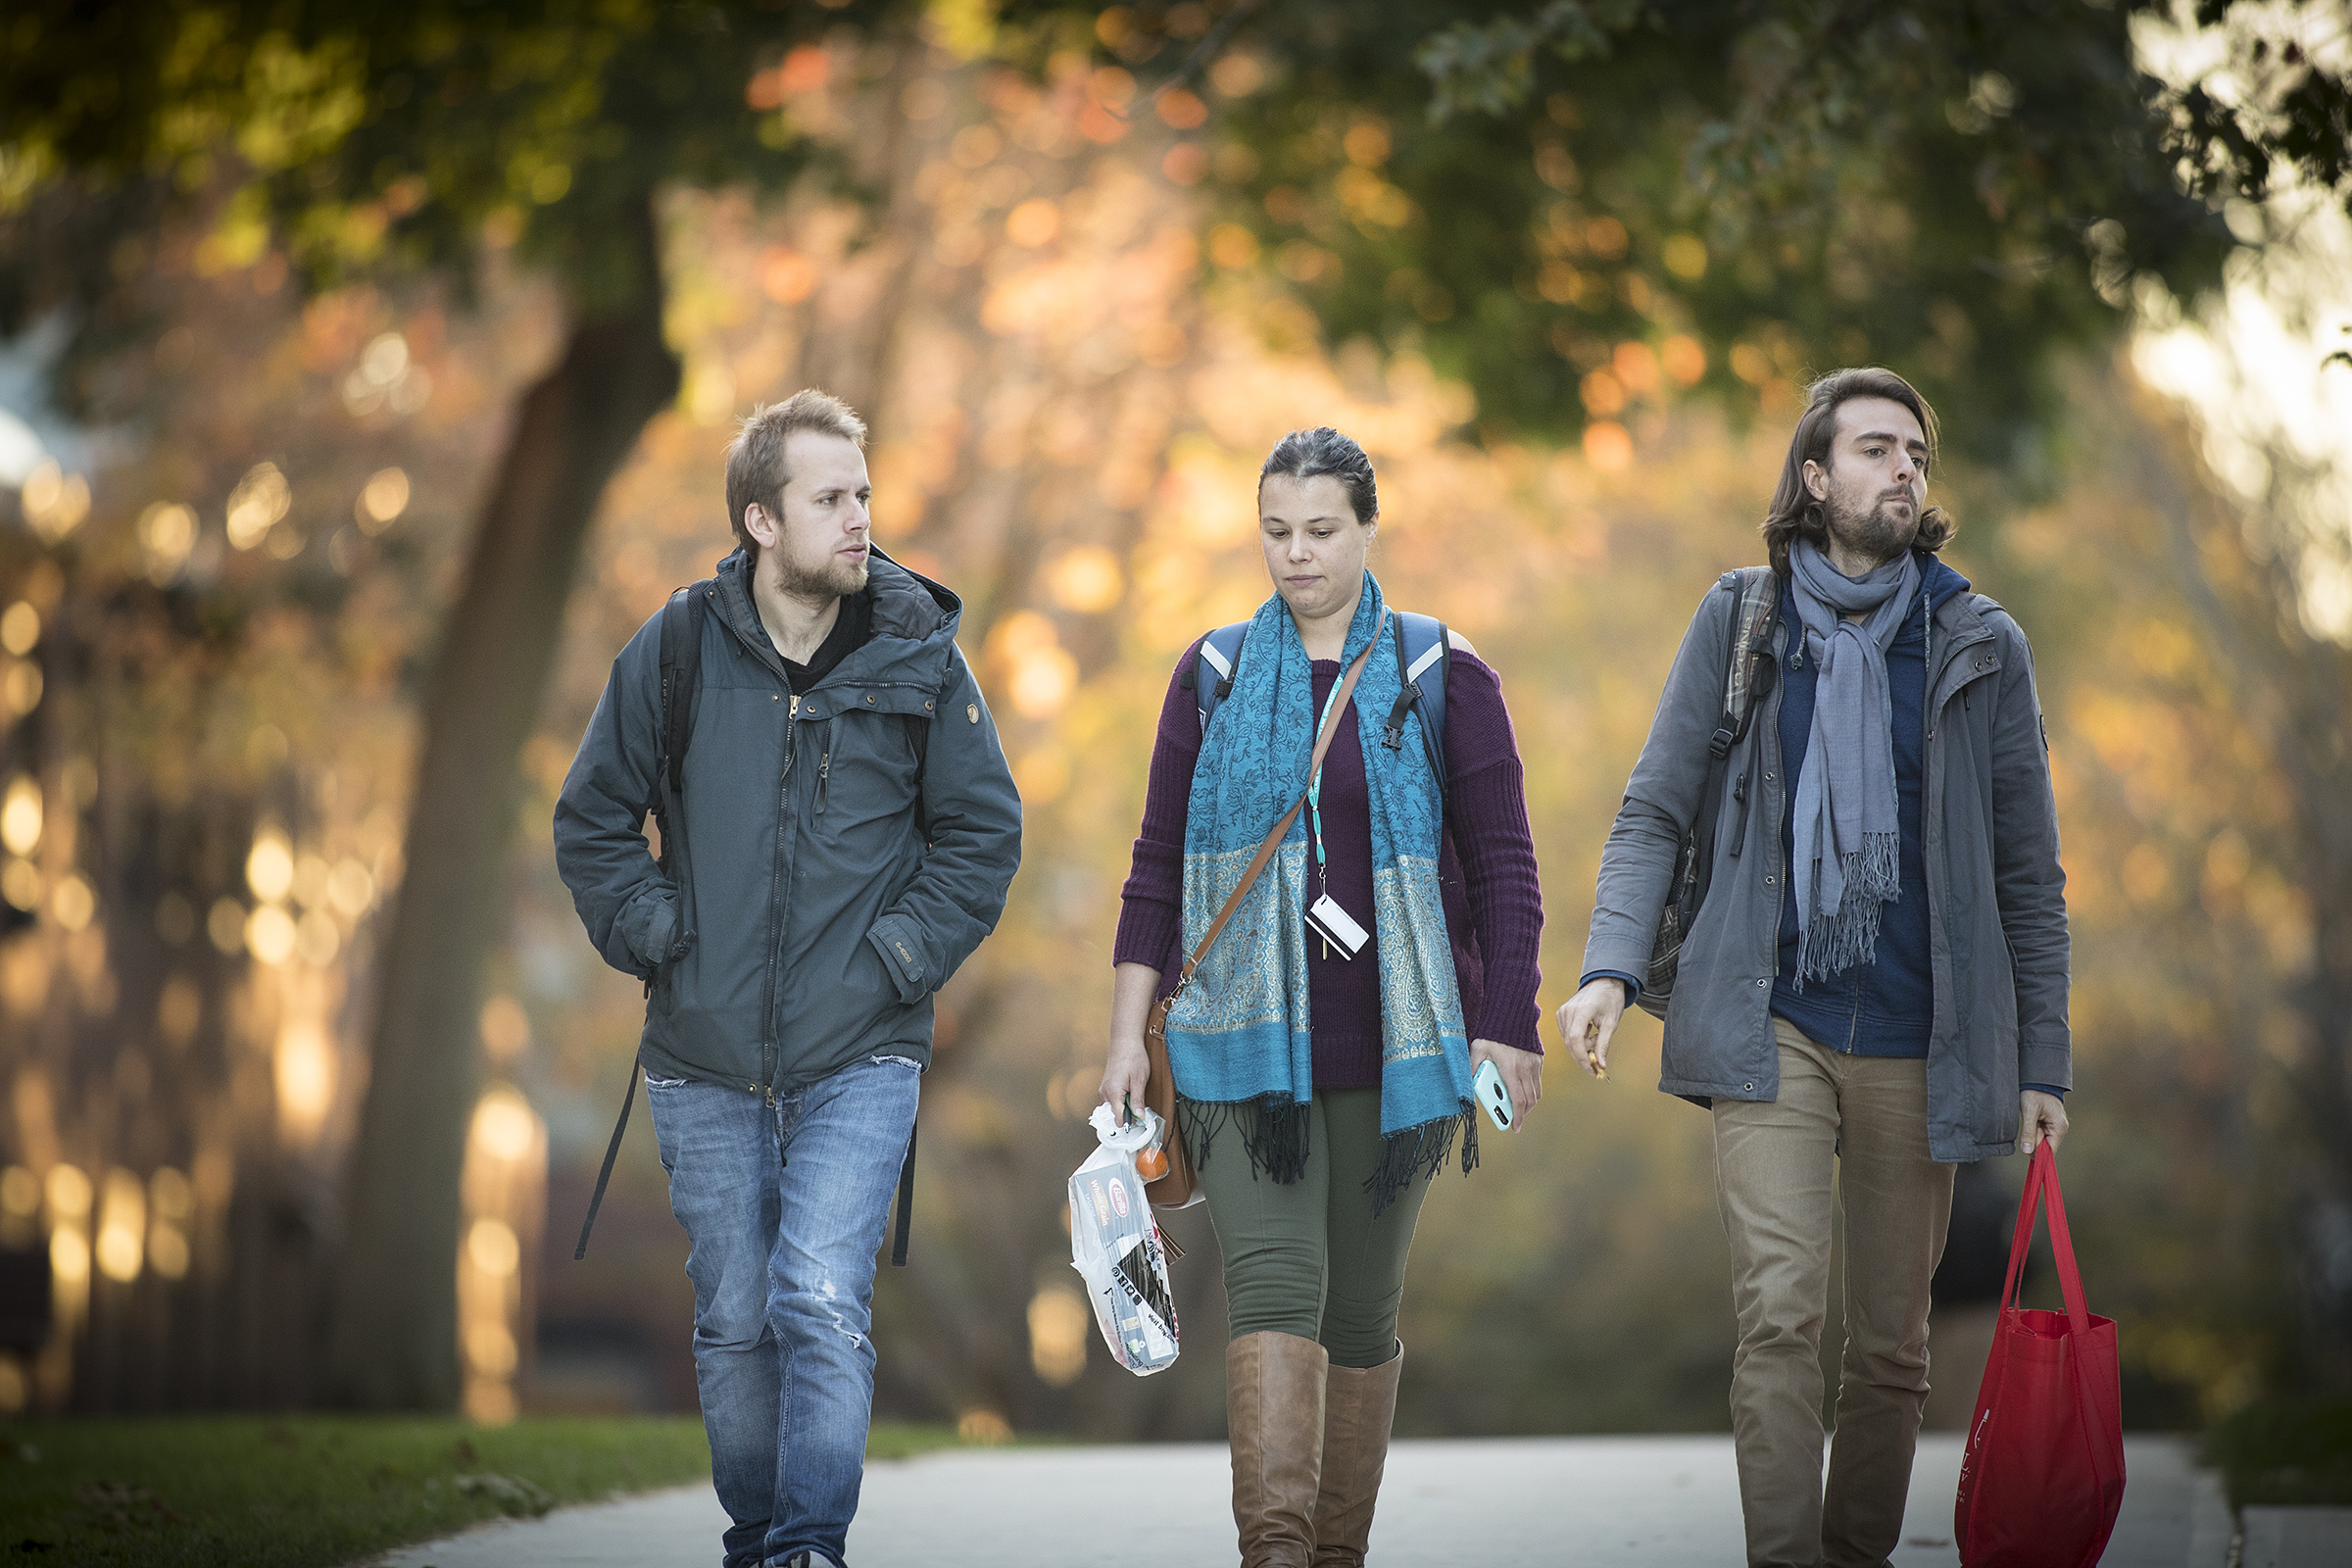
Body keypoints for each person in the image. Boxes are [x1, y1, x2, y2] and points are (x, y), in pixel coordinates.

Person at [1555, 368, 2072, 1567]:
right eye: (1877, 448)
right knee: (1778, 1315)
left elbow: (2028, 876)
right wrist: (1608, 972)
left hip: (1922, 1032)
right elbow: (1653, 811)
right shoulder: (1742, 621)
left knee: (1891, 1346)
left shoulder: (1980, 645)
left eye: (1917, 455)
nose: (1904, 470)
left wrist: (2042, 1055)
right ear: (1815, 475)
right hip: (1768, 1018)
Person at [554, 391, 1021, 1568]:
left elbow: (983, 834)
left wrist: (898, 961)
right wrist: (657, 931)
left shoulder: (920, 655)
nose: (862, 518)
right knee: (735, 1316)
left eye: (865, 494)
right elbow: (593, 819)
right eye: (832, 499)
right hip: (700, 1052)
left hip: (863, 1044)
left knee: (816, 1292)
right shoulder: (671, 648)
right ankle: (758, 1538)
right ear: (761, 519)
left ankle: (810, 1545)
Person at [1098, 426, 1544, 1568]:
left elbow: (1504, 866)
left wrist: (1512, 1025)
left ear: (1368, 529)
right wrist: (1120, 1039)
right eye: (1277, 532)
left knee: (1359, 1316)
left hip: (1401, 1049)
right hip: (1237, 1046)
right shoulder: (1213, 673)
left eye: (1321, 531)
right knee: (1278, 1288)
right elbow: (1156, 865)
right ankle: (1277, 1553)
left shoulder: (1443, 673)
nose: (1296, 555)